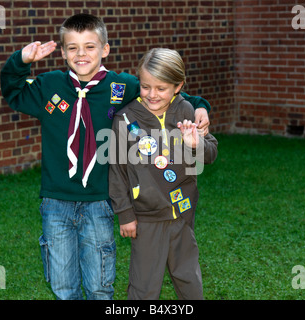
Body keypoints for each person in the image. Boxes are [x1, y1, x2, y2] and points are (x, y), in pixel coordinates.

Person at [0, 13, 211, 300]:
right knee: (62, 283)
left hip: (100, 201)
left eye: (90, 46)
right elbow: (12, 91)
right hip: (55, 200)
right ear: (62, 52)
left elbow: (165, 93)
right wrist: (21, 61)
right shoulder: (48, 86)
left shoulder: (122, 87)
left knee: (100, 282)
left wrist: (201, 108)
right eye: (72, 47)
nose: (81, 54)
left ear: (105, 49)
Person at [109, 48, 218, 300]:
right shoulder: (125, 119)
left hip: (183, 214)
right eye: (145, 87)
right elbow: (117, 173)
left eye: (161, 88)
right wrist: (125, 214)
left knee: (189, 278)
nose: (152, 95)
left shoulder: (187, 111)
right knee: (144, 286)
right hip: (145, 217)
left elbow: (210, 154)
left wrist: (195, 144)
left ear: (178, 86)